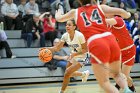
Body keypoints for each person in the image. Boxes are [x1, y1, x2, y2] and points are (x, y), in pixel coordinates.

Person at [55, 0, 133, 93]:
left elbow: (59, 18)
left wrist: (59, 10)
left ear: (79, 1)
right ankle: (127, 90)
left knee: (104, 82)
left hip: (96, 42)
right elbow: (121, 12)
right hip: (110, 39)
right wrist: (128, 14)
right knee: (117, 74)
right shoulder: (100, 7)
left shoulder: (75, 12)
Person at [47, 20, 90, 93]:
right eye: (66, 25)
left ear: (74, 27)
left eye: (69, 25)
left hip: (83, 56)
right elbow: (57, 48)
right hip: (73, 55)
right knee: (67, 74)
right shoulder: (65, 36)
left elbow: (85, 49)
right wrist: (47, 49)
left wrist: (75, 54)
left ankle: (61, 91)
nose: (67, 26)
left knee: (67, 72)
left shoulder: (79, 35)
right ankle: (83, 74)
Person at [106, 16, 136, 92]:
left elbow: (105, 21)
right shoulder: (108, 28)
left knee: (123, 75)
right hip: (119, 52)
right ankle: (131, 89)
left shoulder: (118, 20)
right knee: (117, 74)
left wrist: (95, 18)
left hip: (129, 51)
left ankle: (118, 88)